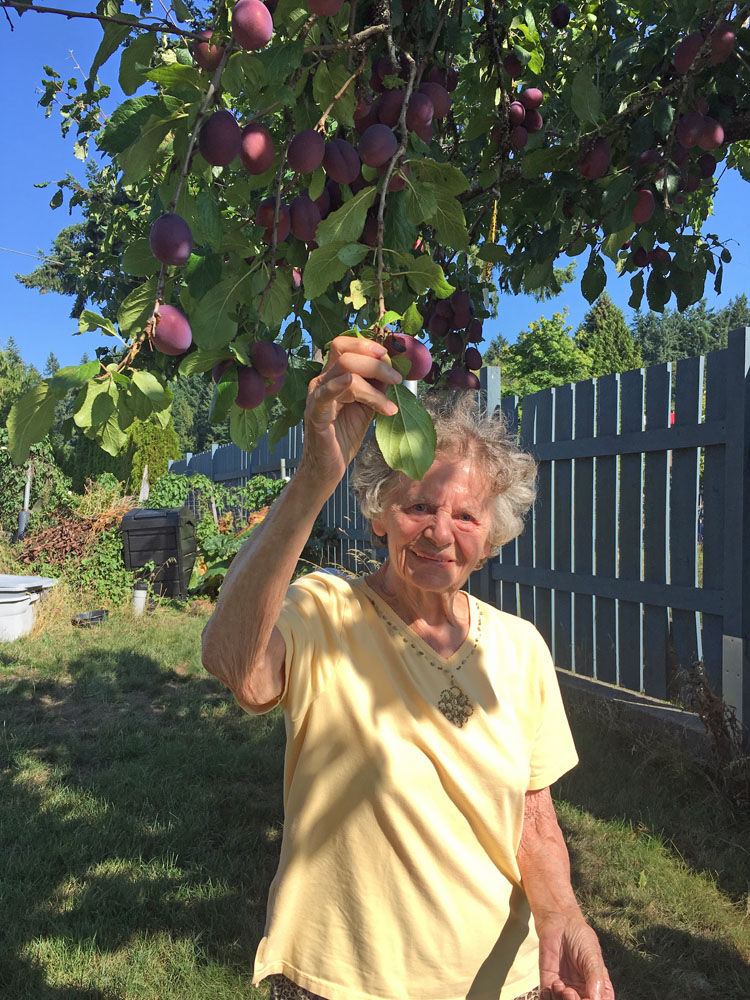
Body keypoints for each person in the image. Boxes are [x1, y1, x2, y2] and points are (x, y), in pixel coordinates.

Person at [201, 336, 615, 1000]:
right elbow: (231, 662)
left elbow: (533, 818)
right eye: (418, 506)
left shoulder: (520, 648)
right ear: (379, 517)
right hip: (344, 983)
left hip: (503, 983)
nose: (440, 532)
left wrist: (563, 914)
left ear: (492, 536)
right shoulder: (327, 611)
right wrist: (315, 477)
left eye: (466, 515)